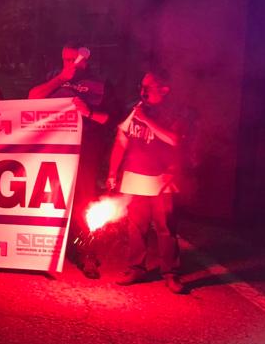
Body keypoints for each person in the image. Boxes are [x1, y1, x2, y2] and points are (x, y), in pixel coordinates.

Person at [29, 41, 117, 279]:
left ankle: (87, 253)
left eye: (75, 59)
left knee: (83, 202)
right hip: (53, 150)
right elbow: (32, 97)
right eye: (66, 59)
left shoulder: (100, 84)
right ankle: (43, 251)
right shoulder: (53, 77)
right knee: (48, 199)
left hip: (86, 151)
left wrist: (88, 112)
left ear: (86, 60)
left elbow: (110, 119)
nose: (71, 64)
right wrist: (60, 78)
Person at [107, 70, 187, 294]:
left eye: (148, 87)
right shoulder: (134, 109)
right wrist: (112, 173)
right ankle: (136, 269)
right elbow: (121, 141)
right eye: (141, 86)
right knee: (136, 227)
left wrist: (146, 120)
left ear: (164, 90)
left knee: (165, 228)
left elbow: (174, 140)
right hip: (134, 178)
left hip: (162, 180)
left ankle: (170, 273)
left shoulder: (175, 112)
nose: (142, 91)